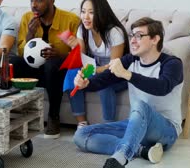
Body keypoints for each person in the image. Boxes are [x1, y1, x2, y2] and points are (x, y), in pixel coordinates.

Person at [73, 17, 183, 167]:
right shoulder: (130, 60)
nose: (132, 40)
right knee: (81, 135)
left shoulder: (172, 63)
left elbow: (162, 87)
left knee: (140, 106)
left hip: (166, 130)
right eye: (132, 36)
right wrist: (86, 83)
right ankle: (140, 150)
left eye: (139, 36)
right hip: (137, 124)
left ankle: (121, 157)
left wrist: (127, 74)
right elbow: (104, 79)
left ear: (155, 39)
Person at [10, 0, 80, 139]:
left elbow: (79, 55)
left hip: (57, 72)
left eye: (38, 0)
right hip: (36, 71)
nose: (33, 4)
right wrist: (29, 35)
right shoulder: (28, 18)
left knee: (51, 64)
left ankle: (53, 116)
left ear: (51, 0)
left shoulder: (71, 20)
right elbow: (21, 51)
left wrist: (60, 55)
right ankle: (19, 114)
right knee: (14, 62)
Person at [66, 0, 129, 128]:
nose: (85, 17)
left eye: (91, 13)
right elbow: (81, 57)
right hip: (94, 66)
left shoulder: (114, 32)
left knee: (104, 84)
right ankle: (82, 123)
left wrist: (92, 70)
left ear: (101, 14)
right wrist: (74, 50)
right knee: (73, 76)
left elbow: (114, 66)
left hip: (118, 71)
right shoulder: (82, 29)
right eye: (83, 12)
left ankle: (109, 125)